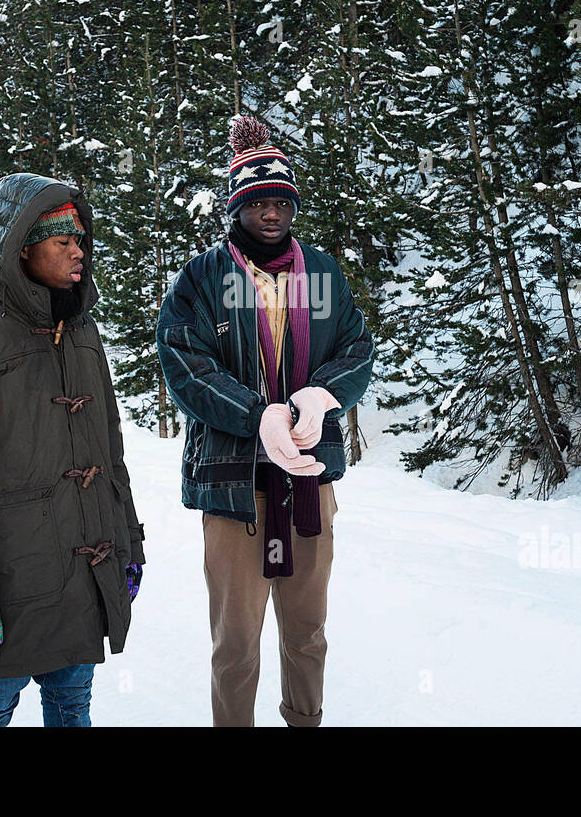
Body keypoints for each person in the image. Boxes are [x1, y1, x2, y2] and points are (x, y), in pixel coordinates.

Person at [156, 115, 375, 727]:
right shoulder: (204, 278)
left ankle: (304, 720)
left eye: (281, 200)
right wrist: (258, 416)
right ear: (236, 207)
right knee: (235, 642)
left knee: (307, 630)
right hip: (234, 486)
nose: (272, 213)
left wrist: (322, 397)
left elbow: (356, 348)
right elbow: (185, 365)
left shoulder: (323, 275)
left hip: (310, 474)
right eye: (258, 202)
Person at [0, 172, 145, 727]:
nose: (78, 251)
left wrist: (129, 543)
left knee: (72, 707)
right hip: (8, 584)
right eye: (61, 240)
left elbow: (109, 457)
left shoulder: (83, 330)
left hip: (84, 572)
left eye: (81, 239)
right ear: (21, 249)